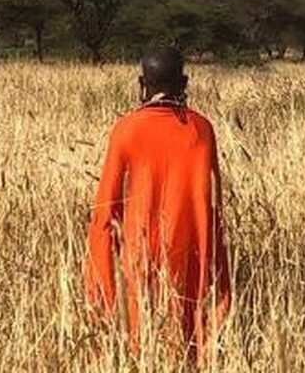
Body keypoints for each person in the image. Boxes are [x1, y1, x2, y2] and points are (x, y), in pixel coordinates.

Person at [83, 47, 232, 363]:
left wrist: (101, 284)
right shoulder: (202, 130)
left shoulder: (126, 129)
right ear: (184, 83)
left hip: (138, 259)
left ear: (142, 83)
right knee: (188, 348)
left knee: (139, 347)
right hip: (191, 258)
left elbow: (105, 214)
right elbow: (213, 208)